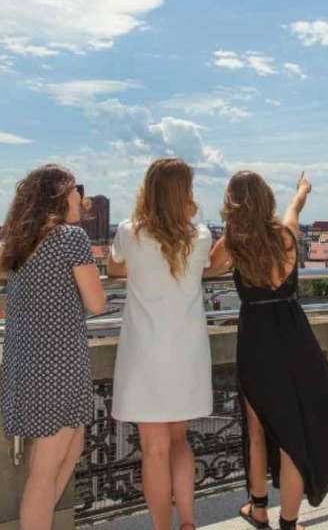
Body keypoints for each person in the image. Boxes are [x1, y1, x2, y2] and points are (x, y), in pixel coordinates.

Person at [212, 171, 328, 530]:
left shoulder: (233, 242)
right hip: (293, 337)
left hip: (256, 340)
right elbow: (295, 207)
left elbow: (206, 269)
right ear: (266, 199)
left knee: (256, 431)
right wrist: (302, 189)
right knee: (292, 434)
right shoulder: (286, 235)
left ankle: (258, 510)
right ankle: (289, 523)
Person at [0, 164, 106, 530]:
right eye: (76, 190)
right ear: (59, 197)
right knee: (44, 474)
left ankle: (39, 519)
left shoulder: (23, 243)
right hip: (58, 366)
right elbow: (96, 303)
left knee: (71, 447)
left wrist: (20, 263)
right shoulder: (70, 238)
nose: (82, 197)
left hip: (27, 364)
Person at [107, 158, 214, 530]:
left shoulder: (129, 232)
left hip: (145, 354)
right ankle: (187, 521)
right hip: (186, 351)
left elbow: (115, 268)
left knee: (154, 448)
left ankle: (162, 528)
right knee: (179, 439)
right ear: (184, 194)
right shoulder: (201, 235)